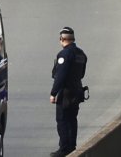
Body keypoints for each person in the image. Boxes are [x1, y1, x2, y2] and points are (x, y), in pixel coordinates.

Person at [50, 26, 88, 157]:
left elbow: (60, 75)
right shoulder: (81, 54)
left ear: (62, 39)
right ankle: (72, 146)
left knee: (62, 120)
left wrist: (53, 93)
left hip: (65, 94)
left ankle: (64, 149)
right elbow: (82, 74)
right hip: (77, 91)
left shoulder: (64, 54)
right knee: (72, 119)